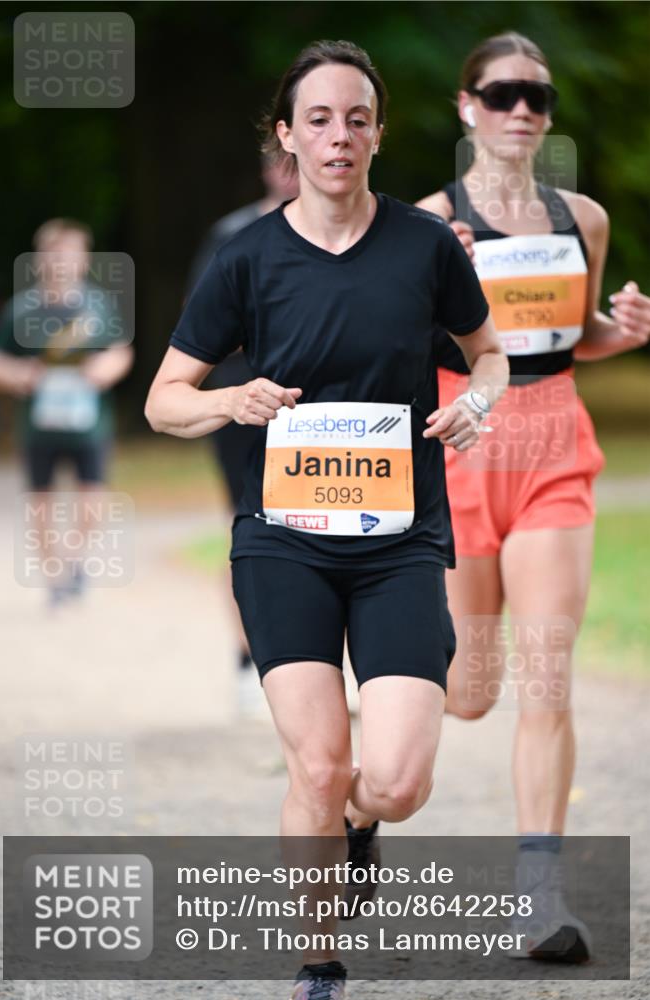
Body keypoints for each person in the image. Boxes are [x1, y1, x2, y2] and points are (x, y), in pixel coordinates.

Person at [146, 40, 508, 999]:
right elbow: (164, 400)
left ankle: (360, 826)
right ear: (287, 135)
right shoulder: (248, 255)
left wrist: (476, 402)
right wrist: (233, 400)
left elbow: (489, 355)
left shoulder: (424, 247)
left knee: (393, 781)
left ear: (378, 135)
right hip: (283, 543)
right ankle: (319, 963)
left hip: (397, 545)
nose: (338, 135)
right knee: (317, 760)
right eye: (318, 118)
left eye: (355, 118)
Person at [416, 31, 650, 963]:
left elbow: (570, 334)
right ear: (466, 107)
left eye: (537, 98)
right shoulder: (428, 220)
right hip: (462, 443)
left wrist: (619, 331)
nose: (522, 111)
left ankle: (539, 900)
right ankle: (361, 788)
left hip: (554, 442)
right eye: (503, 93)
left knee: (545, 676)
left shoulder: (580, 217)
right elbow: (398, 343)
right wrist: (436, 279)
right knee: (469, 693)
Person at [186, 158, 299, 712]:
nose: (292, 172)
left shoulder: (357, 237)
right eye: (283, 162)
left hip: (314, 410)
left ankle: (313, 666)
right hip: (242, 408)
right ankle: (246, 658)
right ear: (266, 166)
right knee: (249, 528)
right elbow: (202, 327)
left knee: (321, 527)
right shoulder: (232, 235)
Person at [0, 218, 133, 605]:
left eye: (70, 254)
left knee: (92, 505)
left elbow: (121, 352)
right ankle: (55, 579)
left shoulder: (100, 307)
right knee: (41, 507)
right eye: (54, 255)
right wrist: (18, 373)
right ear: (41, 260)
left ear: (84, 260)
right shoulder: (22, 310)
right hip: (39, 428)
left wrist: (105, 370)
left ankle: (72, 560)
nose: (62, 263)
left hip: (90, 426)